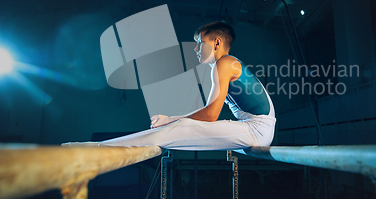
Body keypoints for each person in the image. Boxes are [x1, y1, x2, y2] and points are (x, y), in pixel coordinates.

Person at [63, 21, 276, 150]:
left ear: (217, 43)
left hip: (257, 129)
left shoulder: (225, 62)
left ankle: (98, 148)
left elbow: (211, 115)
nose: (195, 49)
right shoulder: (224, 65)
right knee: (182, 127)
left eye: (199, 43)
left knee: (181, 126)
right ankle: (102, 147)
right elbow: (210, 114)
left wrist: (171, 119)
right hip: (256, 127)